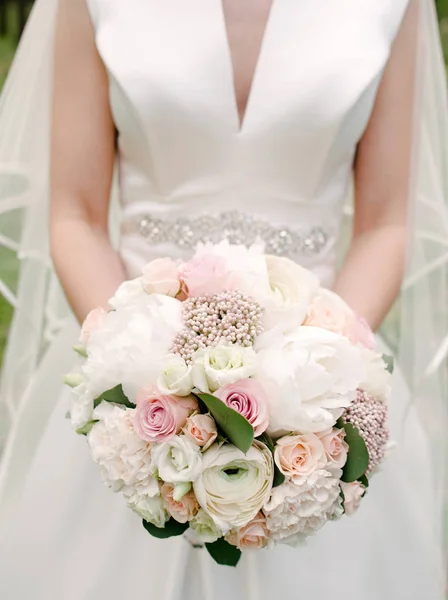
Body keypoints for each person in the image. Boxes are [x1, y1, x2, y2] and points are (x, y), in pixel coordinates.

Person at [0, 0, 446, 598]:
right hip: (131, 371)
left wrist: (321, 385)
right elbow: (75, 213)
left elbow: (385, 225)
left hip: (322, 373)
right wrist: (143, 381)